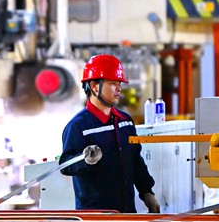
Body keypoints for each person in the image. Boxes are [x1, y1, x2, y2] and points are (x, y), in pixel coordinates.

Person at [59, 54, 160, 213]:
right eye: (113, 83)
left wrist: (147, 192)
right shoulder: (78, 126)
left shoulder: (124, 121)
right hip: (96, 218)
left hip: (127, 213)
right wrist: (85, 160)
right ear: (94, 86)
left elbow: (135, 160)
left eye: (119, 83)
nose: (119, 88)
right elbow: (65, 166)